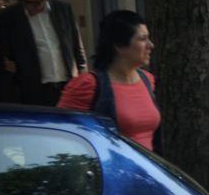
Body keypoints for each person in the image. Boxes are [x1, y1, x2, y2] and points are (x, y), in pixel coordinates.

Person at [57, 10, 160, 151]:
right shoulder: (88, 85)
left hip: (145, 169)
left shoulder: (147, 79)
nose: (151, 45)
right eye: (142, 39)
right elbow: (62, 134)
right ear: (119, 46)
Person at [0, 0, 85, 106]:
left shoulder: (63, 9)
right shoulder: (8, 18)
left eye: (36, 3)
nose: (30, 7)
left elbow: (76, 45)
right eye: (26, 2)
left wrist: (82, 74)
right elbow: (3, 60)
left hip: (67, 85)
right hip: (34, 90)